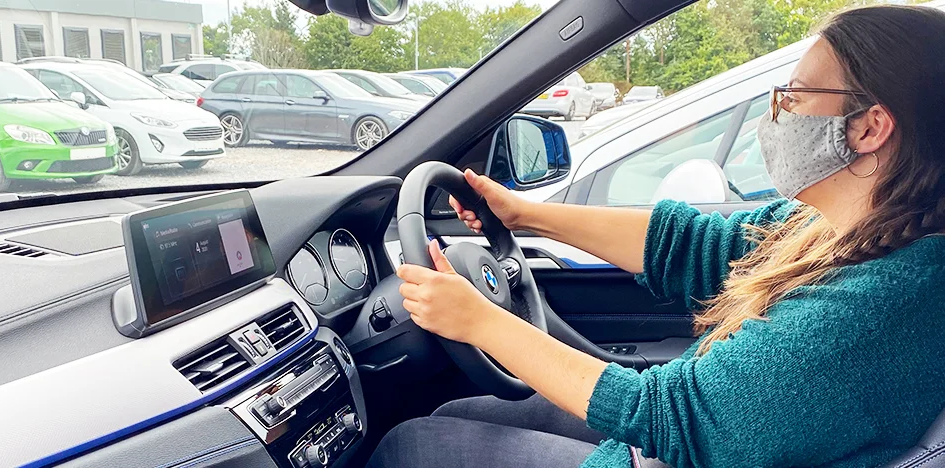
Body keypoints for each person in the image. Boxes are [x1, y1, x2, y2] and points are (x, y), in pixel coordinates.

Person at [367, 5, 945, 468]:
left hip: (676, 441)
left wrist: (480, 321)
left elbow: (671, 416)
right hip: (682, 438)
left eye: (794, 96)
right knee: (455, 410)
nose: (777, 113)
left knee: (412, 446)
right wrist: (525, 215)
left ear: (870, 126)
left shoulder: (885, 306)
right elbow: (695, 244)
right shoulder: (843, 230)